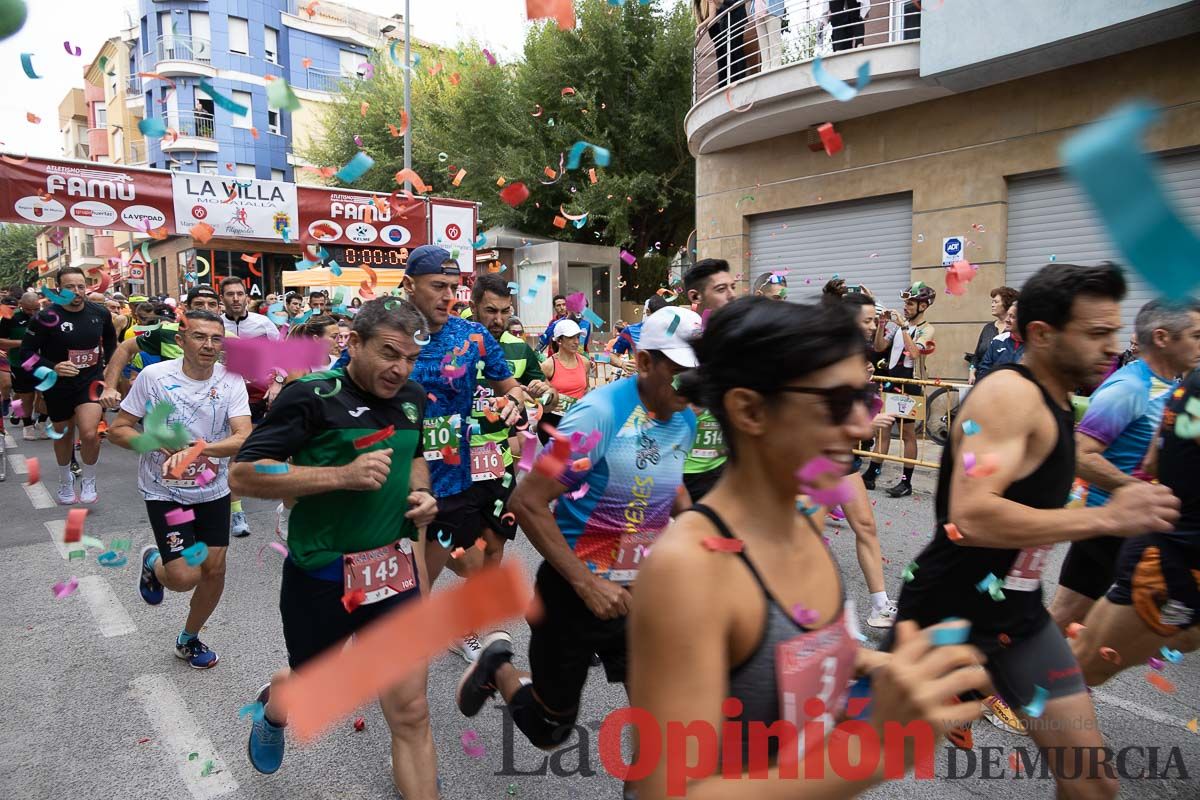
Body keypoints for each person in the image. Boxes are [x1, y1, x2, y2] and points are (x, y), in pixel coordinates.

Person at [630, 297, 988, 798]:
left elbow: (794, 653)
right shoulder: (691, 570)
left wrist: (892, 668)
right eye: (837, 404)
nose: (863, 425)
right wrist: (873, 752)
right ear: (750, 410)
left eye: (864, 398)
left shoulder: (799, 526)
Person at [891, 263, 1180, 796]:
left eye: (1113, 333)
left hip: (1019, 616)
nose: (1112, 348)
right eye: (1096, 334)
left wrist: (1125, 487)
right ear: (1044, 334)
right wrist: (1106, 517)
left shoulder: (1055, 398)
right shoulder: (1009, 396)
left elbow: (1062, 454)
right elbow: (970, 518)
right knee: (846, 764)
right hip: (945, 616)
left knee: (1092, 781)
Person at [454, 307, 701, 779]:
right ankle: (499, 667)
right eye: (679, 370)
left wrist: (697, 533)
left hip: (640, 591)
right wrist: (587, 584)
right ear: (645, 363)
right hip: (573, 592)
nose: (689, 383)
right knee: (549, 729)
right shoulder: (597, 415)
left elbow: (671, 484)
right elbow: (527, 502)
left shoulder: (683, 416)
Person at [229, 298, 439, 796]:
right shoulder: (311, 395)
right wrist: (340, 475)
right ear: (355, 343)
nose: (400, 368)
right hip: (322, 572)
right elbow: (243, 474)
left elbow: (415, 458)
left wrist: (422, 493)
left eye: (410, 357)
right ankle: (274, 707)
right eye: (389, 353)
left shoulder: (412, 396)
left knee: (411, 712)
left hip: (391, 570)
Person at [108, 310, 251, 667]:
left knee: (214, 570)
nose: (208, 345)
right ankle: (154, 562)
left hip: (212, 490)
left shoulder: (231, 380)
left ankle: (189, 639)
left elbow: (243, 436)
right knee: (185, 577)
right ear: (180, 340)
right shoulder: (154, 378)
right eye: (200, 337)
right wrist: (154, 442)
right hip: (165, 491)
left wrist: (200, 450)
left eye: (216, 339)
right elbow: (119, 430)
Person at [1049, 299, 1200, 632]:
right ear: (1162, 337)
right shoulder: (1129, 388)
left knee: (1093, 630)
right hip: (1110, 526)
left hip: (1145, 528)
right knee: (1066, 621)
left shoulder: (1175, 388)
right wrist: (1137, 490)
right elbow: (1081, 455)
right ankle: (992, 679)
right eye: (1196, 335)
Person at [402, 246, 530, 625]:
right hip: (397, 477)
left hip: (453, 483)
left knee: (421, 589)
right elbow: (343, 382)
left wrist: (515, 401)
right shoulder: (385, 328)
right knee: (402, 594)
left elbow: (511, 386)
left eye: (453, 287)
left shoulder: (472, 335)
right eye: (438, 286)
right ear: (409, 285)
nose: (448, 297)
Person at [1072, 364, 1200, 687]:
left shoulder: (1184, 384)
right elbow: (1083, 453)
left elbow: (1153, 462)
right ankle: (969, 692)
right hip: (1172, 561)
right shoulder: (1134, 385)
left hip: (1165, 547)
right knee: (1084, 666)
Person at [467, 273, 557, 570]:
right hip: (454, 461)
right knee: (457, 551)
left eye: (505, 311)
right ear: (473, 305)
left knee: (495, 544)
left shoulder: (518, 348)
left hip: (498, 461)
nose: (498, 319)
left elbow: (547, 396)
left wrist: (546, 392)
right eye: (491, 310)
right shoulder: (451, 342)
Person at [18, 268, 116, 505]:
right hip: (59, 384)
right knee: (63, 433)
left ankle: (89, 479)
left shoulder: (100, 313)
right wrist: (53, 367)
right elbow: (26, 355)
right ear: (59, 290)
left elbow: (113, 345)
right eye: (70, 287)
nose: (77, 291)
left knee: (91, 432)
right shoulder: (45, 317)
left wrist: (108, 370)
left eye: (81, 286)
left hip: (90, 381)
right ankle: (65, 480)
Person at [838, 290, 899, 627]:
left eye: (874, 319)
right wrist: (863, 422)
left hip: (841, 461)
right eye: (868, 320)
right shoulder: (824, 358)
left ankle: (880, 606)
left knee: (866, 526)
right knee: (801, 536)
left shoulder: (858, 357)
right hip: (812, 462)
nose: (874, 325)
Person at [219, 275, 280, 537]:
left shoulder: (263, 323)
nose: (235, 298)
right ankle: (236, 511)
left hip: (256, 396)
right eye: (230, 294)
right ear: (222, 299)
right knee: (230, 451)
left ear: (247, 297)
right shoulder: (215, 325)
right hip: (223, 394)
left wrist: (277, 382)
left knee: (245, 450)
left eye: (239, 294)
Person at [863, 283, 936, 497]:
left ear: (923, 306)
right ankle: (871, 474)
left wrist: (903, 327)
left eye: (910, 303)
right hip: (890, 382)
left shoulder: (927, 329)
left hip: (910, 385)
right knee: (883, 431)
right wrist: (883, 323)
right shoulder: (897, 326)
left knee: (907, 435)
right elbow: (878, 348)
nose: (906, 306)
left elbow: (913, 352)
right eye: (905, 302)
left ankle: (906, 481)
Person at [681, 259, 739, 502]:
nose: (732, 295)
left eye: (733, 286)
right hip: (684, 472)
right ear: (696, 296)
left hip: (727, 466)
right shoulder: (678, 341)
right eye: (721, 289)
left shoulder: (737, 338)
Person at [0, 291, 48, 440]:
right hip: (20, 364)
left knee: (47, 394)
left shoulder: (46, 317)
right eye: (28, 309)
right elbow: (1, 342)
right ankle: (25, 423)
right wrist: (24, 344)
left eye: (35, 309)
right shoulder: (10, 318)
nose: (33, 313)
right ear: (20, 305)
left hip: (42, 363)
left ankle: (41, 423)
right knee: (22, 395)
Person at [541, 320, 590, 438]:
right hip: (553, 423)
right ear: (559, 340)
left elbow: (586, 389)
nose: (576, 342)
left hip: (577, 422)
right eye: (571, 338)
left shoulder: (585, 362)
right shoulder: (548, 366)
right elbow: (537, 395)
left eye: (578, 337)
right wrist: (547, 403)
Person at [968, 286, 1018, 385]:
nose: (992, 305)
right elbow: (976, 355)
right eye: (992, 302)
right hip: (983, 381)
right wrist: (971, 371)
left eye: (996, 302)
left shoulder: (1014, 330)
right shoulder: (988, 328)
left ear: (1006, 304)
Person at [611, 296, 669, 374]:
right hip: (638, 381)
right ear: (648, 312)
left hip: (663, 381)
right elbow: (609, 355)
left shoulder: (670, 332)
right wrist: (622, 364)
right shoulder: (629, 331)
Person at [975, 301, 1023, 382]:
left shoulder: (1034, 344)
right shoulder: (998, 340)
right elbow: (983, 370)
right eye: (1008, 315)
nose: (1007, 320)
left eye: (1012, 317)